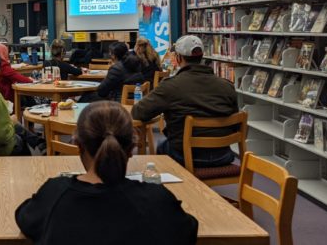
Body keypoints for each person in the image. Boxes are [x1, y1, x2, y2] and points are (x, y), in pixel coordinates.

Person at [15, 102, 198, 245]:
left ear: (78, 145)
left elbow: (24, 217)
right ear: (132, 148)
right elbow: (188, 230)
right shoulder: (157, 200)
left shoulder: (54, 194)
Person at [132, 35, 239, 168]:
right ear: (201, 57)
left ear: (178, 58)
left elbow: (138, 112)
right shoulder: (227, 86)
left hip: (184, 155)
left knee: (162, 147)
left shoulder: (170, 86)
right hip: (222, 155)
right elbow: (236, 126)